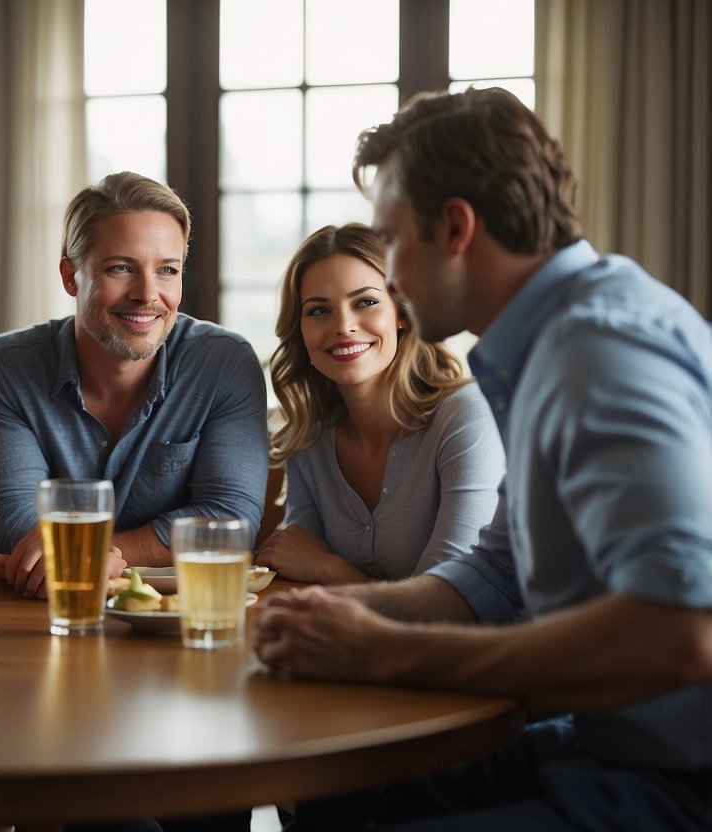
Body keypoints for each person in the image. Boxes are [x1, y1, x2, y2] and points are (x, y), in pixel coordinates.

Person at [253, 86, 712, 830]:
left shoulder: (599, 352)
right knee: (335, 798)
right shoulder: (540, 349)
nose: (390, 279)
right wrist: (330, 615)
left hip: (680, 779)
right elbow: (493, 574)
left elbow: (682, 628)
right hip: (609, 742)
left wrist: (389, 653)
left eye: (392, 240)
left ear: (456, 227)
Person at [0, 171, 269, 599]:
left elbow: (230, 524)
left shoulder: (222, 363)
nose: (147, 293)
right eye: (121, 268)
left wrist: (93, 553)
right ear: (71, 276)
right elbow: (13, 530)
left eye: (167, 270)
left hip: (179, 618)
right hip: (35, 620)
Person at [257, 223, 503, 584]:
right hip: (352, 639)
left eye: (366, 302)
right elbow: (296, 567)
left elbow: (449, 601)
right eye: (318, 311)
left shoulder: (466, 418)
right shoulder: (309, 438)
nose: (344, 326)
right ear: (301, 332)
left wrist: (333, 570)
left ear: (401, 313)